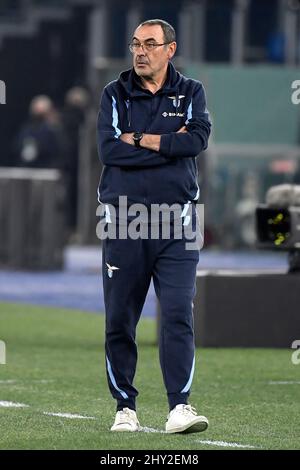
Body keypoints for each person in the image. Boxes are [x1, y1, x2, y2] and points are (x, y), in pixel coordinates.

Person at [97, 19, 211, 433]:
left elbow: (195, 141)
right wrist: (168, 143)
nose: (140, 52)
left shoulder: (191, 91)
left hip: (179, 224)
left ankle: (179, 407)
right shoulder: (115, 92)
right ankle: (124, 407)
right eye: (134, 45)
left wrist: (141, 138)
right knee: (120, 319)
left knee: (178, 313)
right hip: (124, 222)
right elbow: (109, 150)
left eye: (149, 44)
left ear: (170, 50)